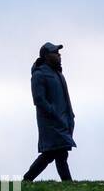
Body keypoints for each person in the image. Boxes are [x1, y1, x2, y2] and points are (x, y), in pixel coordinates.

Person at [24, 42, 75, 182]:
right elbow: (39, 99)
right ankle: (67, 182)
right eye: (55, 53)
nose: (59, 55)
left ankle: (27, 179)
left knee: (52, 154)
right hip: (51, 123)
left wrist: (70, 116)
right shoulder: (39, 75)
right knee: (58, 153)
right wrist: (53, 112)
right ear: (47, 56)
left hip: (63, 121)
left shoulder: (58, 74)